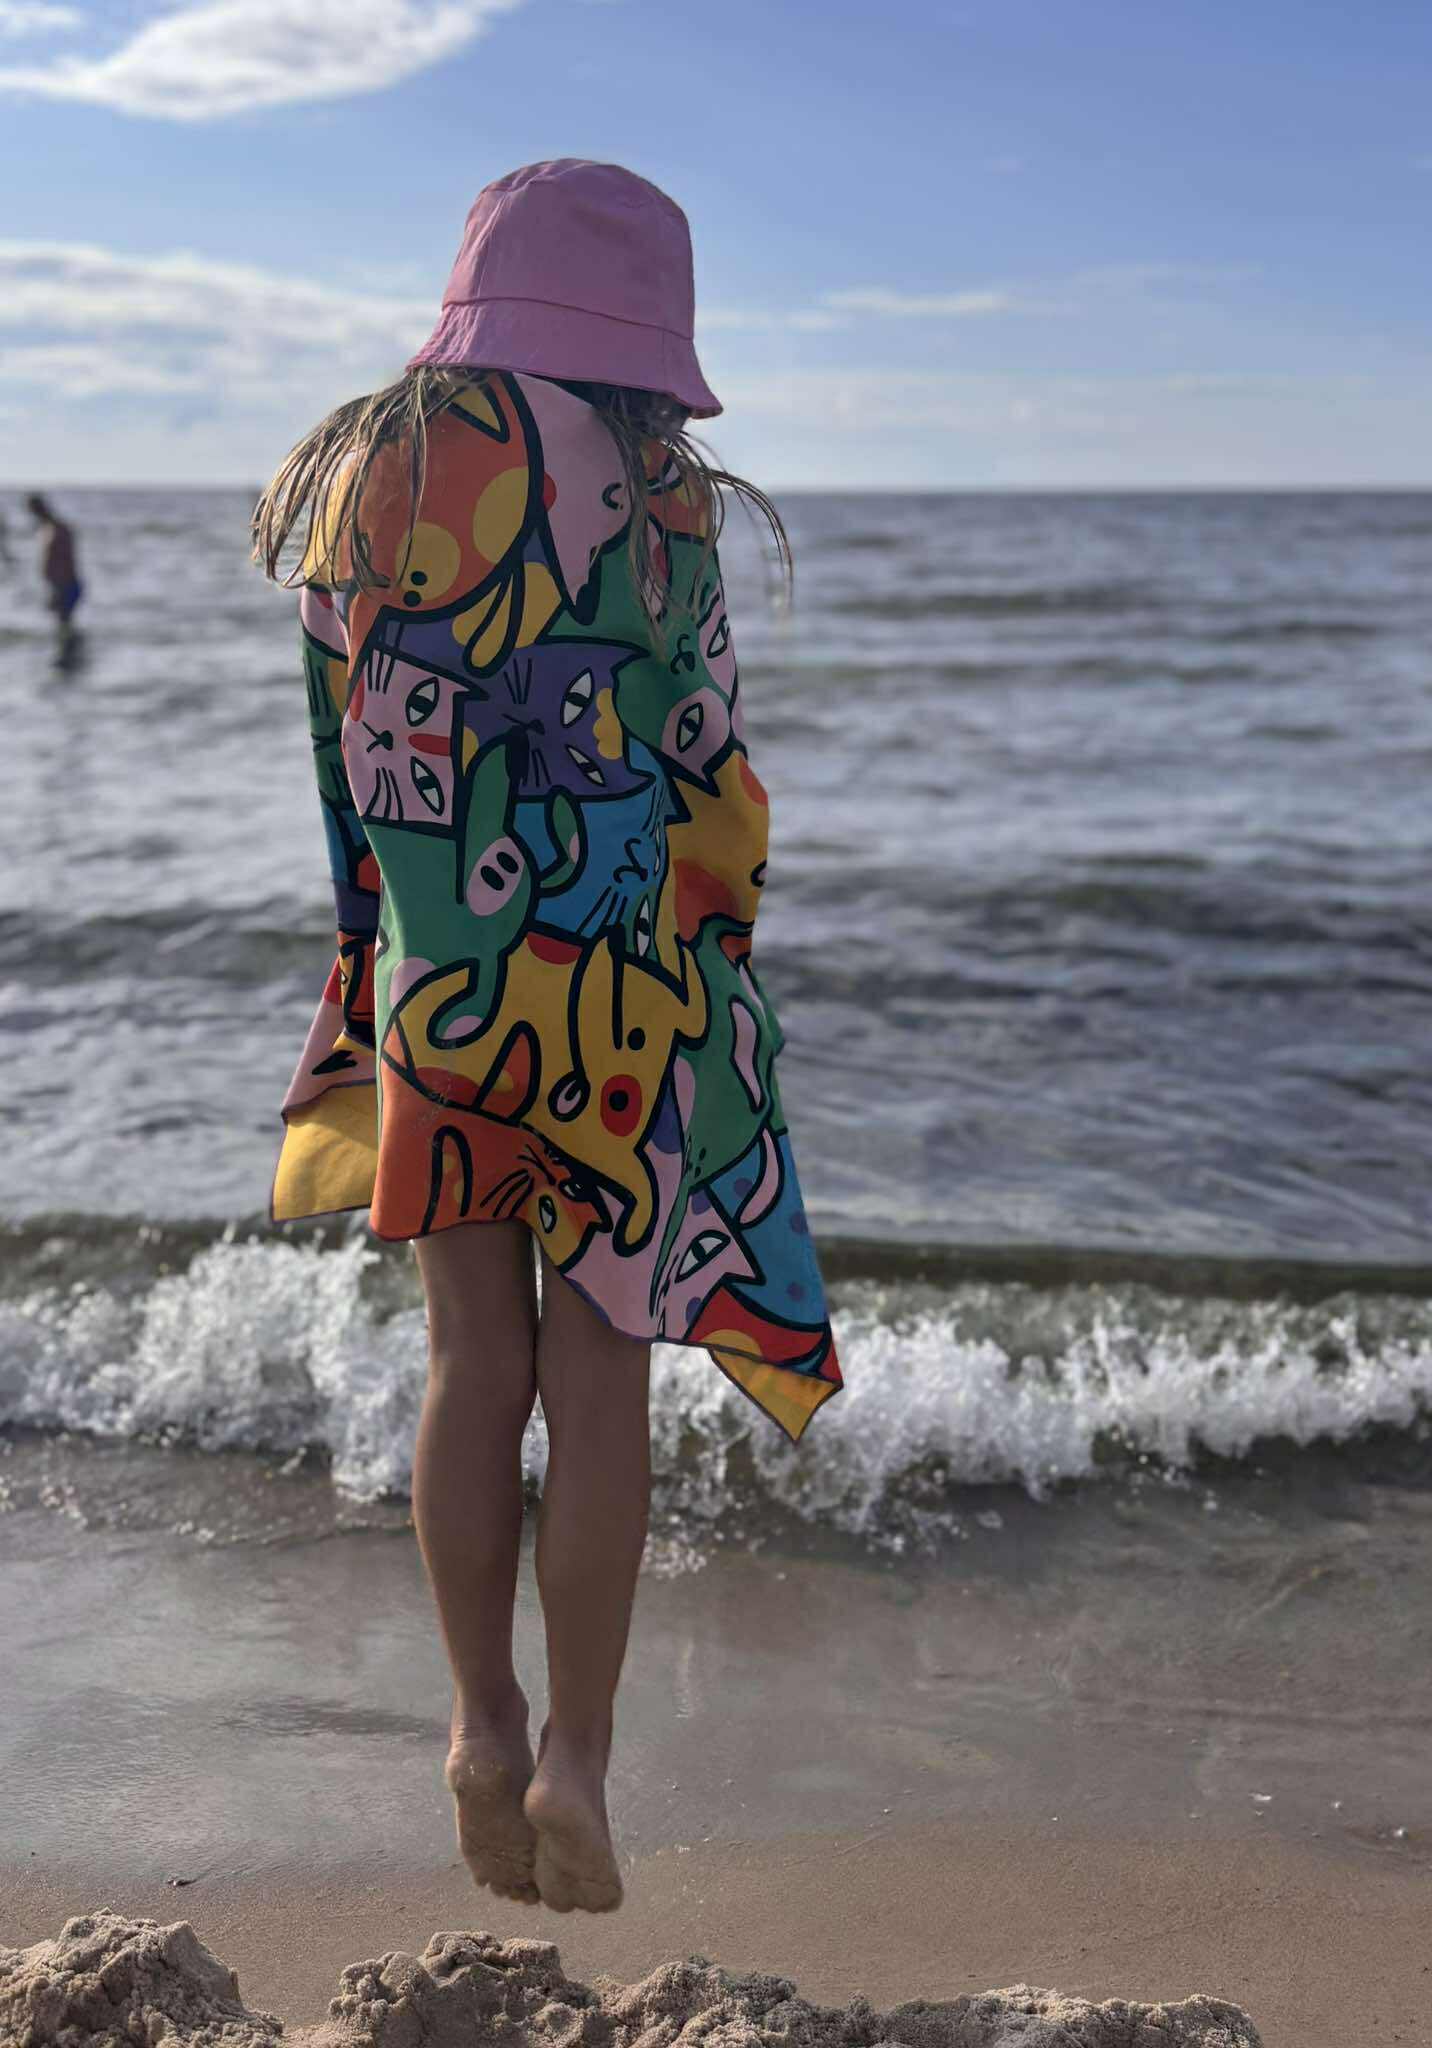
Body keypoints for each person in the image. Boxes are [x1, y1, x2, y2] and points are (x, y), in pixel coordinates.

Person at [253, 161, 842, 1915]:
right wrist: (717, 959)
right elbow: (709, 763)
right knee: (599, 1382)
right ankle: (579, 1752)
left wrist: (379, 952)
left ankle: (478, 1721)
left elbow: (345, 755)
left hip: (441, 994)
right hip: (623, 1006)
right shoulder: (664, 497)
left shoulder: (361, 475)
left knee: (468, 1363)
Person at [26, 494, 83, 654]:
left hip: (65, 585)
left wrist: (58, 589)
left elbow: (65, 561)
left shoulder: (57, 529)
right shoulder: (51, 528)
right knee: (63, 626)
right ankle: (69, 657)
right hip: (61, 585)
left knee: (64, 626)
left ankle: (69, 658)